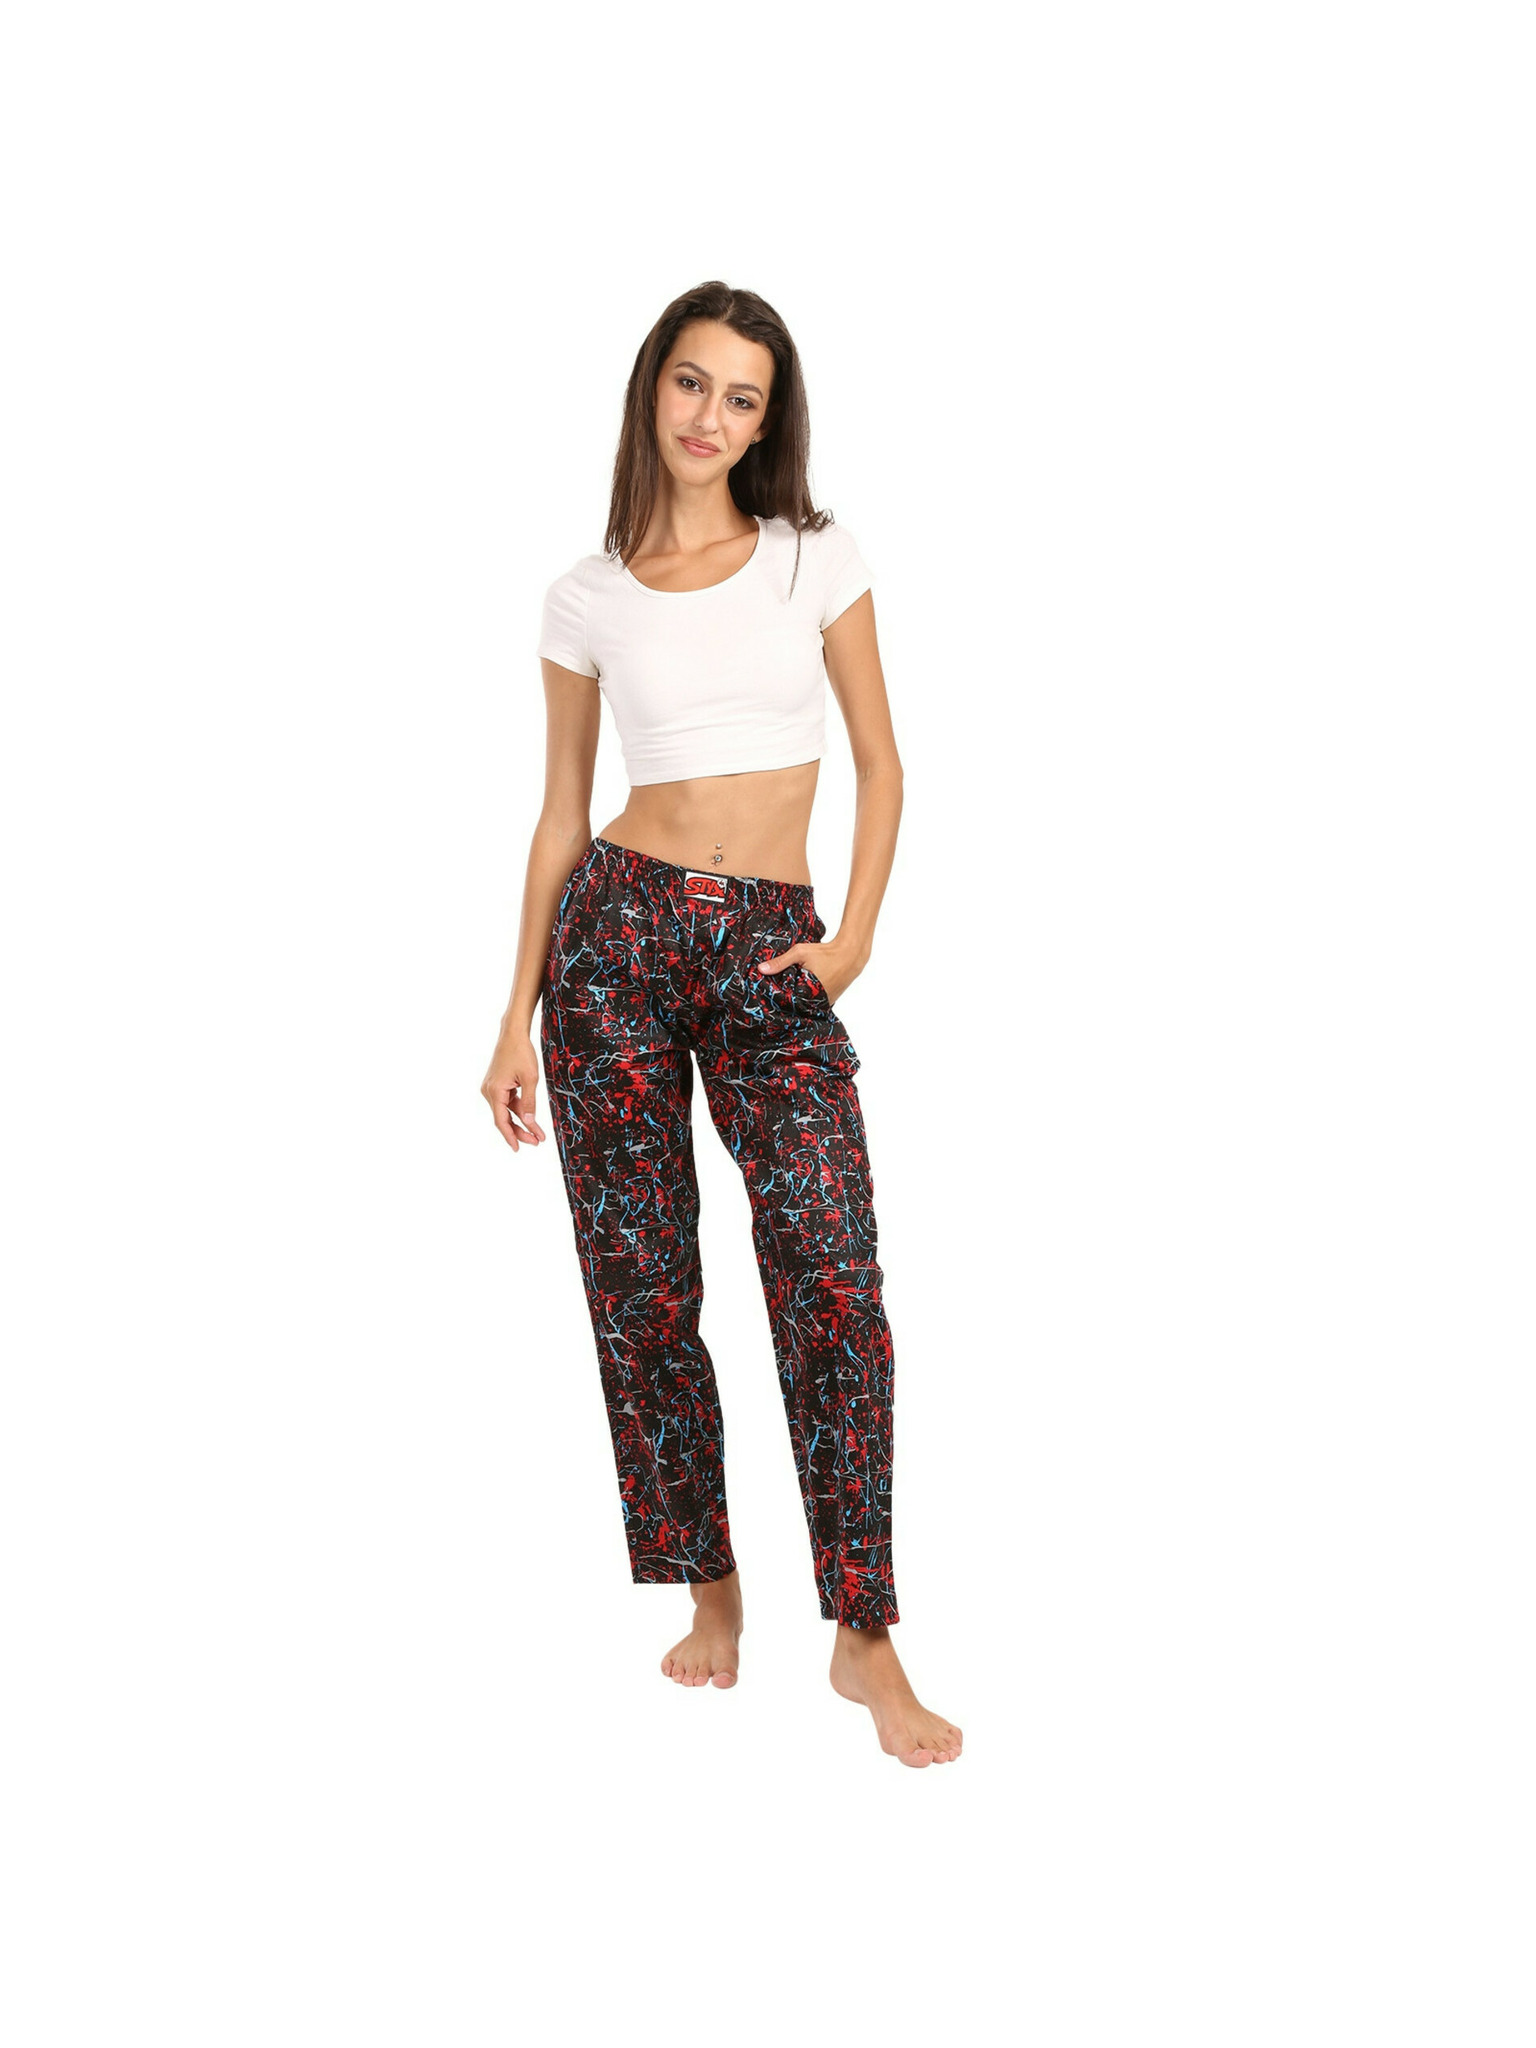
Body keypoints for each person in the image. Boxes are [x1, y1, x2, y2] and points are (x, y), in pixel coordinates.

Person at [481, 280, 962, 1768]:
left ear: (768, 422)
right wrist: (513, 1013)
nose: (710, 416)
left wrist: (853, 940)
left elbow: (883, 763)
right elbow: (561, 814)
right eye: (692, 384)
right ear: (654, 389)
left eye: (742, 398)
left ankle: (864, 1635)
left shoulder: (815, 554)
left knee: (833, 1281)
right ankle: (710, 1586)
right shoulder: (586, 594)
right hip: (614, 938)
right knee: (641, 1288)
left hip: (775, 948)